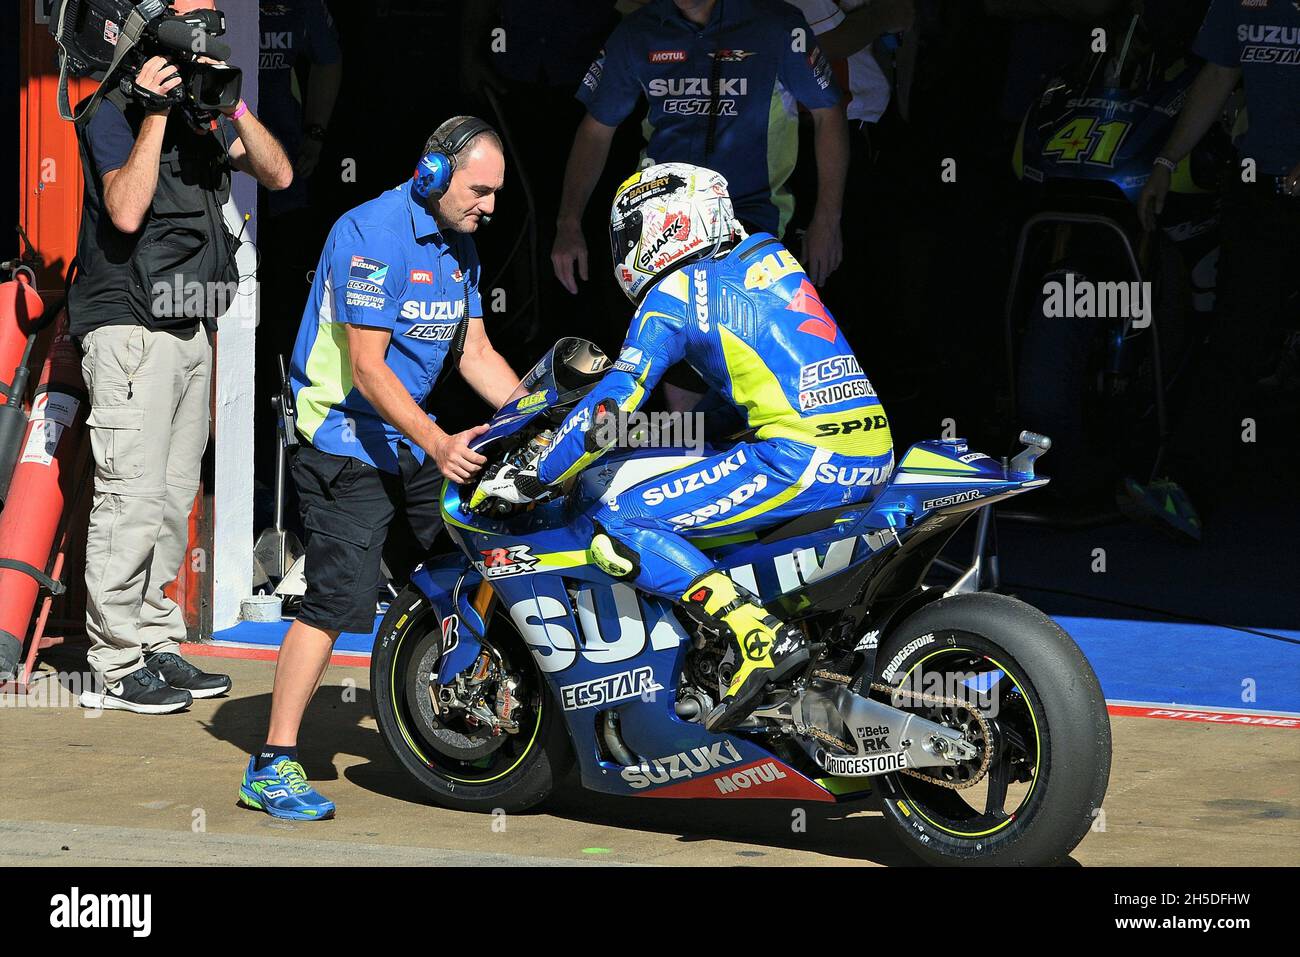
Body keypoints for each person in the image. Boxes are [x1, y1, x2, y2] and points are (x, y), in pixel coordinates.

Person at [475, 162, 893, 732]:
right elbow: (751, 392)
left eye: (627, 234)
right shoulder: (770, 258)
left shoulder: (675, 293)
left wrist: (539, 471)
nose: (623, 250)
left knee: (619, 521)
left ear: (662, 224)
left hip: (800, 459)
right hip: (869, 449)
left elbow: (615, 400)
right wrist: (653, 434)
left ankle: (757, 637)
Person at [238, 117, 519, 820]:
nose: (490, 206)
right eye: (480, 190)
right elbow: (366, 369)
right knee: (339, 596)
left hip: (403, 438)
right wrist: (438, 443)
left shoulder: (461, 247)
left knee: (467, 556)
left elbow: (475, 355)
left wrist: (540, 413)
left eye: (496, 193)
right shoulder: (369, 233)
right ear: (431, 174)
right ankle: (272, 761)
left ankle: (453, 700)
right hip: (339, 437)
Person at [70, 0, 293, 714]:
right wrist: (156, 112)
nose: (208, 38)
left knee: (169, 501)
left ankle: (156, 637)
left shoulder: (202, 113)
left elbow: (280, 174)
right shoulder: (112, 111)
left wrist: (230, 105)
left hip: (190, 325)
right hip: (129, 328)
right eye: (195, 25)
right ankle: (113, 658)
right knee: (129, 499)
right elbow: (127, 210)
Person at [551, 0, 849, 297]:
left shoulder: (777, 23)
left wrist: (827, 219)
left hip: (751, 224)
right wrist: (568, 222)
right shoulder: (636, 31)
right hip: (658, 230)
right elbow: (596, 129)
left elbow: (828, 112)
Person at [1137, 0, 1300, 496]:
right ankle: (1184, 488)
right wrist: (1167, 160)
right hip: (1261, 187)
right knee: (1235, 335)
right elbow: (1219, 73)